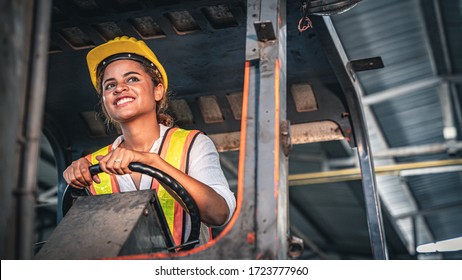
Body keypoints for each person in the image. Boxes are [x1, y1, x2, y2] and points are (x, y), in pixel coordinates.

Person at [63, 36, 236, 246]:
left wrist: (153, 162)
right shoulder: (92, 165)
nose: (119, 88)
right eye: (110, 85)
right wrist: (76, 182)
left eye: (132, 79)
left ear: (158, 90)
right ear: (105, 102)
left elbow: (218, 214)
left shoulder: (192, 143)